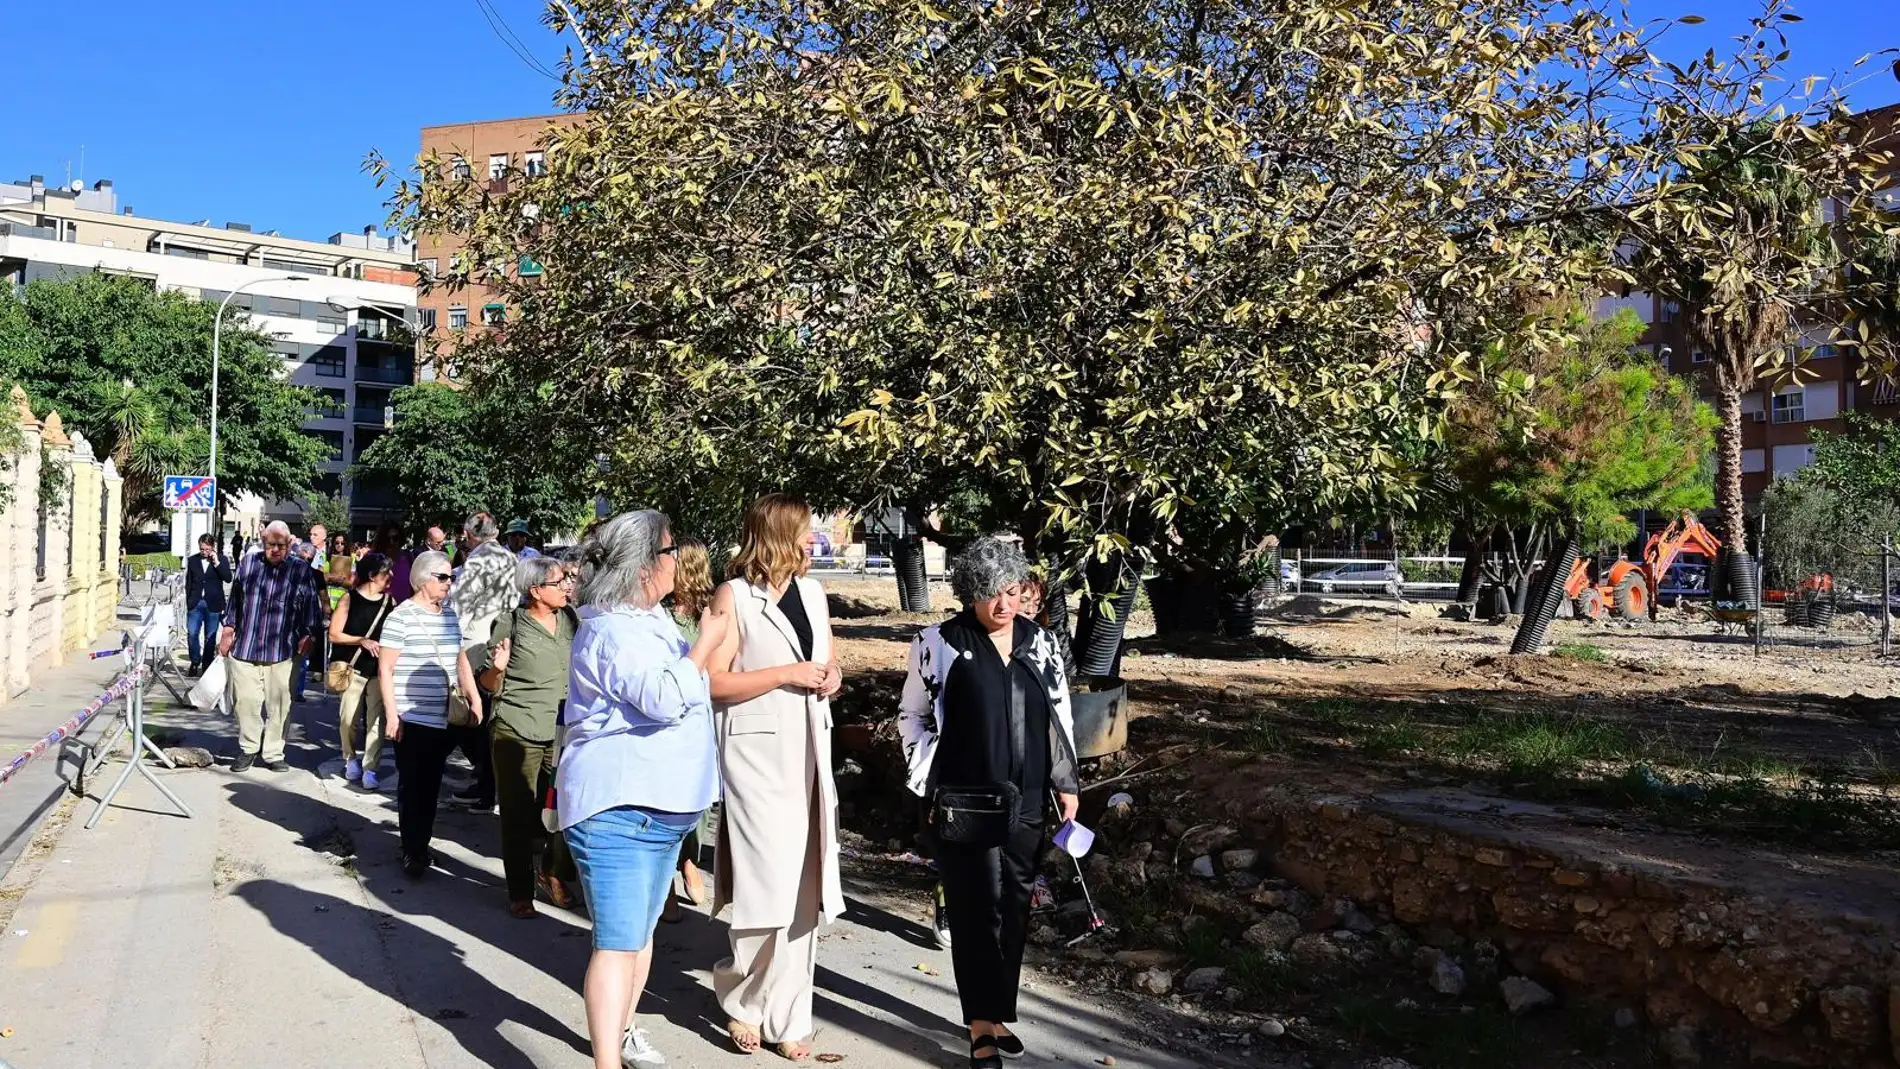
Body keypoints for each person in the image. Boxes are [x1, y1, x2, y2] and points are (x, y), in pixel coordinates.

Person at [898, 537, 1081, 1069]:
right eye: (989, 595)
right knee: (976, 907)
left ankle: (998, 1010)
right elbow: (912, 715)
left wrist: (1067, 783)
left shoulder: (1041, 643)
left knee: (1016, 904)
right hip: (966, 801)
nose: (1003, 605)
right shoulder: (940, 643)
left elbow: (1059, 718)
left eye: (1011, 592)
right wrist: (926, 775)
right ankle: (980, 1025)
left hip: (1027, 799)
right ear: (968, 595)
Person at [559, 510, 726, 1069]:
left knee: (640, 934)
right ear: (643, 564)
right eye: (670, 549)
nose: (678, 559)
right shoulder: (613, 629)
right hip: (620, 809)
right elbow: (660, 697)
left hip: (659, 811)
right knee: (617, 943)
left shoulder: (647, 619)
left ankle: (622, 1033)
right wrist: (703, 647)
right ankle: (607, 1059)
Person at [708, 494, 845, 1061]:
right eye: (805, 530)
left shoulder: (813, 594)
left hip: (810, 753)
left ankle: (790, 1015)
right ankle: (743, 998)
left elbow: (829, 660)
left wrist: (831, 677)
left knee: (804, 889)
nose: (813, 540)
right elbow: (713, 681)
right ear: (779, 534)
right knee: (765, 886)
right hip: (757, 761)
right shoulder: (733, 596)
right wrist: (787, 672)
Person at [473, 555, 581, 917]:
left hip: (562, 730)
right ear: (535, 590)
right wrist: (498, 670)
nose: (567, 585)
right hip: (516, 728)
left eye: (567, 579)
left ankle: (551, 872)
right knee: (518, 814)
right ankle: (520, 890)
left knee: (562, 810)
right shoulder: (510, 624)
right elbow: (488, 684)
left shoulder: (570, 619)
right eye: (558, 581)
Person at [378, 550, 481, 877]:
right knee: (413, 785)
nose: (450, 583)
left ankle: (419, 843)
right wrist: (392, 715)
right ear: (423, 579)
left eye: (451, 577)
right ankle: (413, 850)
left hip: (445, 717)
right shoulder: (400, 617)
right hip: (413, 718)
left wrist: (474, 696)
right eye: (444, 577)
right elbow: (386, 668)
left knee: (432, 785)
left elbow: (460, 659)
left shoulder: (450, 616)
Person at [219, 521, 326, 772]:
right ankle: (248, 748)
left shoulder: (300, 570)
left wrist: (309, 634)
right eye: (270, 545)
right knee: (245, 701)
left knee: (280, 705)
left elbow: (312, 606)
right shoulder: (248, 563)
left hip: (284, 651)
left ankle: (273, 752)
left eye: (280, 545)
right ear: (263, 543)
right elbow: (235, 599)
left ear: (289, 545)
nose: (275, 550)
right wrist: (227, 629)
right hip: (246, 646)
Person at [663, 538, 717, 922]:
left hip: (701, 716)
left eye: (674, 560)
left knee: (698, 803)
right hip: (665, 716)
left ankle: (690, 860)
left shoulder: (711, 612)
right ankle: (664, 882)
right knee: (664, 800)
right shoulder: (657, 612)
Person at [450, 511, 515, 811]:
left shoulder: (476, 561)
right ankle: (490, 784)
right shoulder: (511, 559)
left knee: (472, 718)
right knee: (489, 717)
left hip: (476, 645)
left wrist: (452, 649)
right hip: (504, 643)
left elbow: (460, 609)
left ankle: (485, 787)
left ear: (470, 534)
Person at [329, 552, 395, 789]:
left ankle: (370, 769)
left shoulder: (390, 602)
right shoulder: (349, 599)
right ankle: (350, 759)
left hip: (379, 670)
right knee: (348, 718)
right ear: (371, 575)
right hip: (352, 667)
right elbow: (334, 634)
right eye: (386, 573)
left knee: (376, 720)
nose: (391, 577)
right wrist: (361, 640)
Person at [183, 533, 233, 676]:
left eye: (206, 549)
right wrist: (189, 601)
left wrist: (217, 563)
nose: (204, 552)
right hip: (196, 602)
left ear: (212, 547)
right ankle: (195, 661)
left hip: (213, 604)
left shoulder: (221, 559)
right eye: (202, 549)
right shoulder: (193, 560)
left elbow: (228, 578)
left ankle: (206, 665)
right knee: (192, 633)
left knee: (210, 637)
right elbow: (189, 582)